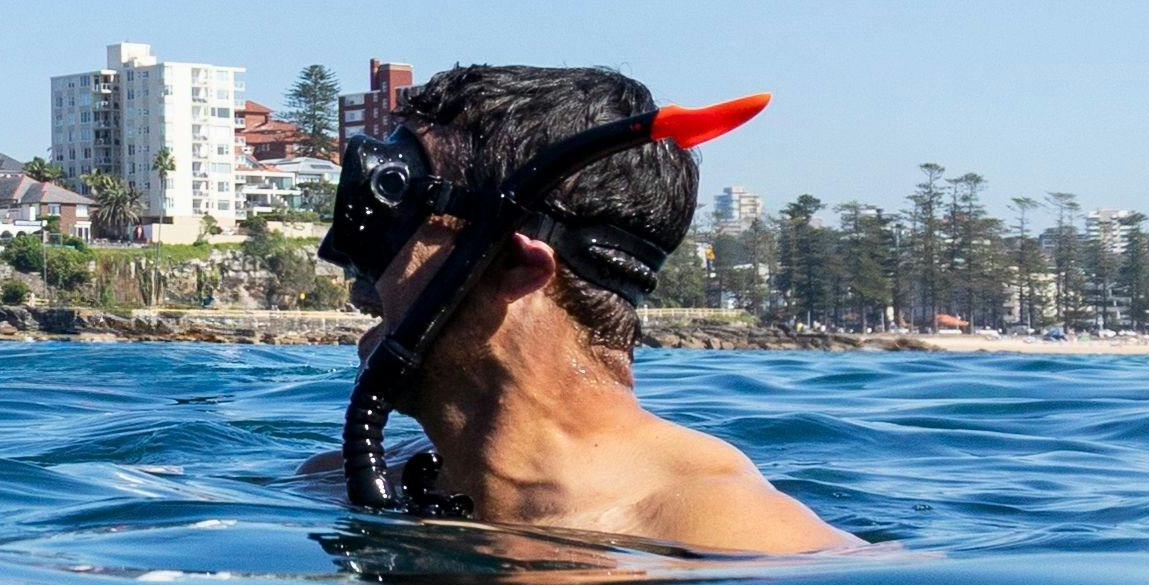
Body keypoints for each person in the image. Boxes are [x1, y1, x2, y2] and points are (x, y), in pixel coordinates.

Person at [323, 63, 848, 556]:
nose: (345, 256)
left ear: (511, 264)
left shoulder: (735, 539)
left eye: (395, 209)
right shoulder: (370, 475)